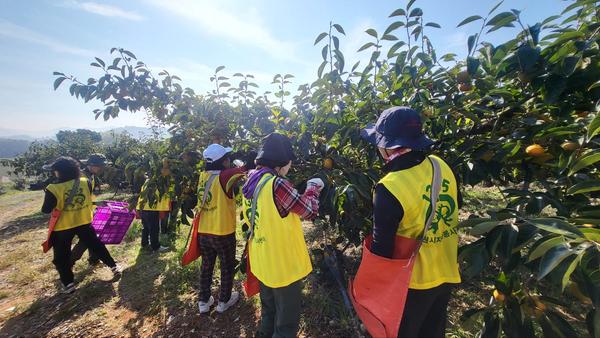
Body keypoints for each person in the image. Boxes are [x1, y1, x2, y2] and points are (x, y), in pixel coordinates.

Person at [360, 106, 462, 338]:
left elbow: (382, 250)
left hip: (411, 284)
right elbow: (457, 204)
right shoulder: (441, 165)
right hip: (445, 272)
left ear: (387, 146)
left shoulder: (390, 187)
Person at [241, 133, 324, 338]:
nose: (290, 168)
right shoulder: (276, 184)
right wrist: (313, 188)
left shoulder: (252, 179)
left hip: (263, 260)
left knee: (268, 311)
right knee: (286, 323)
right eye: (289, 164)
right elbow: (309, 210)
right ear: (281, 163)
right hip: (283, 265)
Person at [41, 156, 120, 294]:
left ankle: (68, 284)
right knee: (97, 245)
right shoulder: (85, 182)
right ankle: (114, 266)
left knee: (61, 256)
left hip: (63, 226)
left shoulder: (52, 188)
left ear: (59, 172)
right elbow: (87, 200)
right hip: (83, 221)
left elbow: (46, 210)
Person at [196, 144, 246, 314]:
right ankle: (223, 301)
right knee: (226, 266)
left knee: (206, 265)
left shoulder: (203, 176)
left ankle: (203, 301)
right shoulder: (225, 177)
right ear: (223, 162)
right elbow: (246, 169)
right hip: (222, 232)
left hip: (204, 231)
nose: (229, 160)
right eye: (227, 158)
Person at [71, 153, 107, 266]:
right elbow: (79, 199)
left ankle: (94, 259)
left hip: (88, 210)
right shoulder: (82, 177)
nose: (101, 168)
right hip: (80, 212)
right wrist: (96, 203)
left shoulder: (91, 175)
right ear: (91, 165)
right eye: (99, 166)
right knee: (86, 240)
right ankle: (68, 262)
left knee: (95, 235)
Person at [136, 166, 173, 253]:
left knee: (146, 227)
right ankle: (155, 246)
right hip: (152, 209)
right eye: (166, 169)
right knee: (154, 229)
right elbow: (164, 195)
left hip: (144, 208)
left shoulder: (148, 180)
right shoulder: (159, 181)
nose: (168, 171)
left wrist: (138, 208)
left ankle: (144, 243)